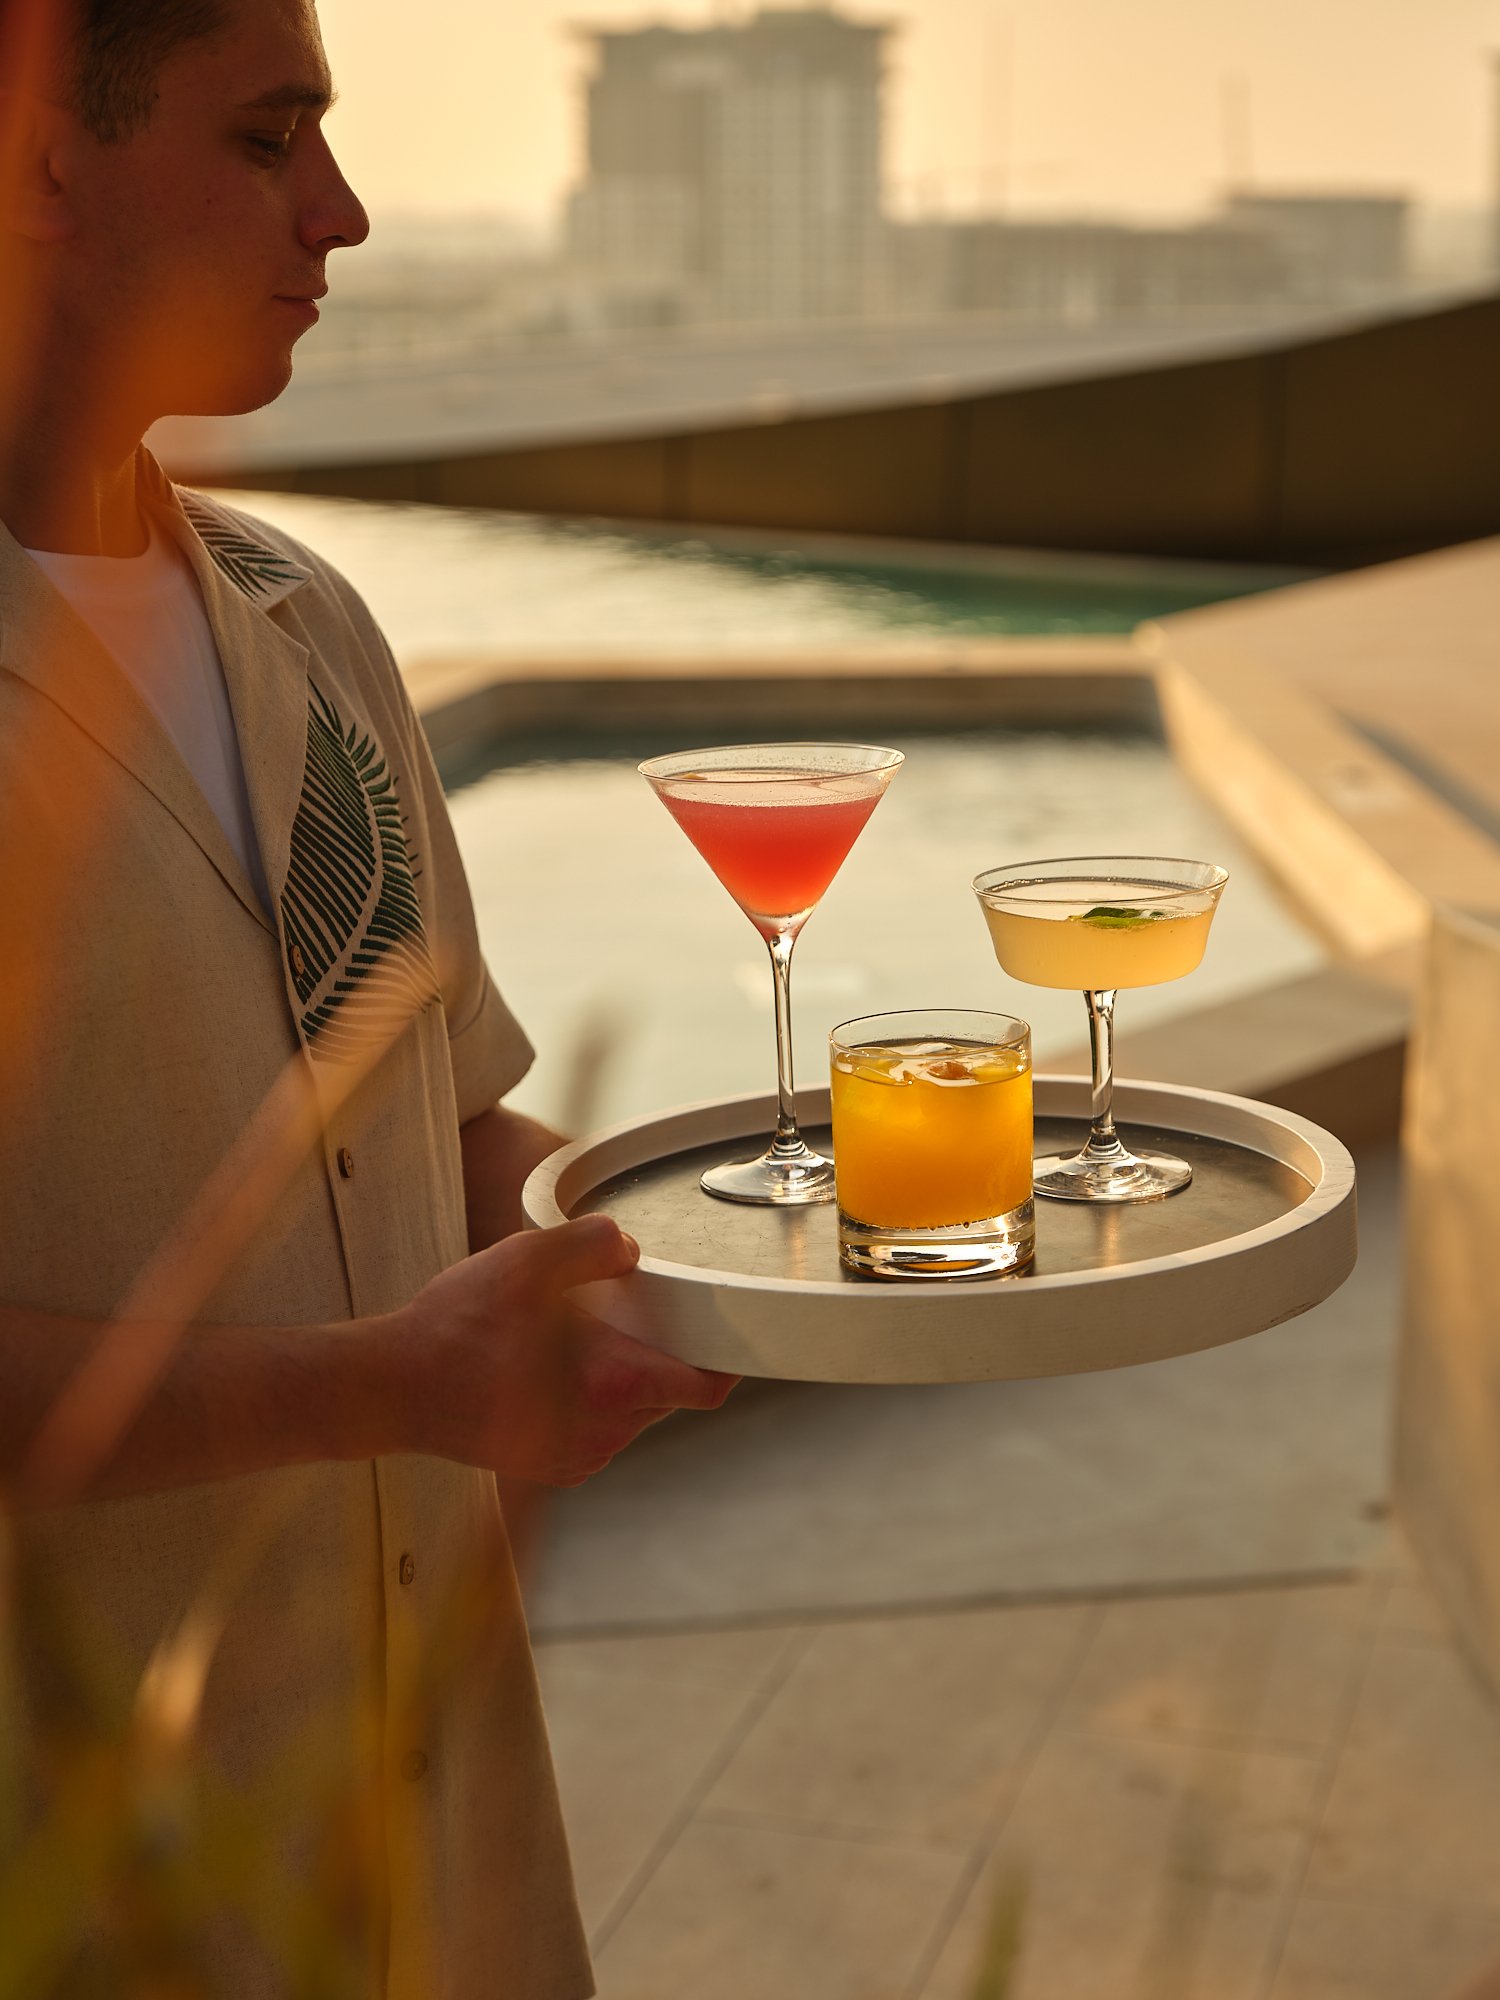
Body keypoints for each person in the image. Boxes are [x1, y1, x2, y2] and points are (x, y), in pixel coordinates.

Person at [0, 1, 736, 1992]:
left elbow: (449, 1134)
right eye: (268, 140)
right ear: (42, 147)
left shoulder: (310, 626)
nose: (343, 214)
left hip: (440, 1836)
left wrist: (749, 1227)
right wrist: (390, 1384)